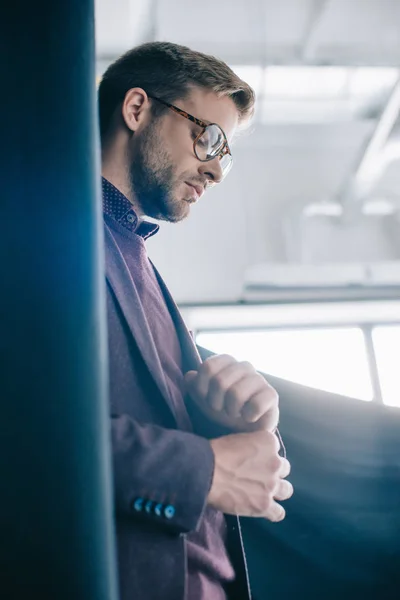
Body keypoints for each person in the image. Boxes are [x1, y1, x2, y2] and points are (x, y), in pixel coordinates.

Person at [98, 41, 293, 600]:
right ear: (137, 110)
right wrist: (200, 469)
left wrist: (240, 417)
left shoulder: (140, 263)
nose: (216, 169)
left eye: (226, 155)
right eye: (208, 137)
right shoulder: (40, 231)